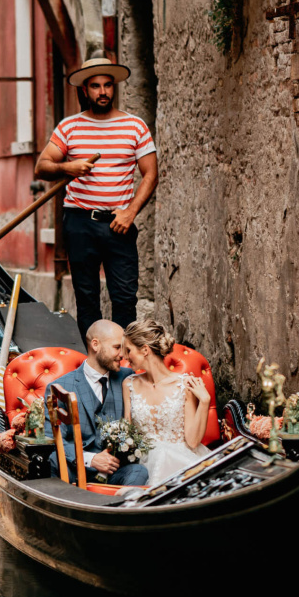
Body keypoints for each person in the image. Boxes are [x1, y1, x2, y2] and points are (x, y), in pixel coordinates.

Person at [34, 57, 159, 344]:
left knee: (125, 299)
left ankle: (124, 364)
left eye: (107, 86)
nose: (102, 92)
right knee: (87, 299)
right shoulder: (70, 128)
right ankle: (94, 364)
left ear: (113, 88)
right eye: (95, 86)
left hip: (120, 222)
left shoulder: (134, 126)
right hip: (79, 222)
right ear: (85, 91)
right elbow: (42, 167)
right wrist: (69, 167)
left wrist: (130, 212)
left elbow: (151, 174)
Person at [44, 319, 148, 486]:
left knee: (139, 471)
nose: (122, 355)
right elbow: (52, 439)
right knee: (54, 460)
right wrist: (91, 459)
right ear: (95, 345)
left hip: (116, 470)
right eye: (117, 347)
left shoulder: (127, 378)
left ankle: (124, 508)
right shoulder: (61, 387)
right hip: (76, 470)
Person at [122, 319, 211, 484]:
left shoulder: (184, 385)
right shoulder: (129, 384)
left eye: (128, 350)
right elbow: (128, 434)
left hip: (182, 459)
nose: (125, 357)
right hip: (144, 462)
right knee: (160, 454)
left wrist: (204, 401)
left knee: (164, 455)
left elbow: (192, 441)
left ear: (145, 350)